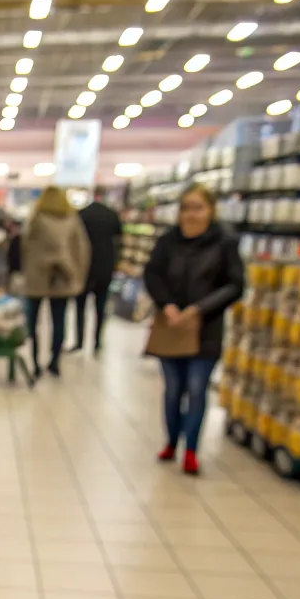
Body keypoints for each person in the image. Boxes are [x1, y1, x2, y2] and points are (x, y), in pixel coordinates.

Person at [143, 183, 244, 476]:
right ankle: (172, 441)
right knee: (173, 389)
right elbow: (153, 274)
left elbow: (235, 285)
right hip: (171, 326)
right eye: (186, 208)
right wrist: (167, 305)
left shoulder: (225, 243)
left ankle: (191, 450)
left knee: (197, 388)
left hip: (205, 328)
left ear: (211, 210)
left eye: (198, 207)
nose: (191, 214)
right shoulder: (168, 241)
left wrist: (200, 309)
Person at [20, 186, 90, 377]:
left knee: (33, 322)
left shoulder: (36, 219)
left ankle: (34, 361)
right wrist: (78, 275)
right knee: (58, 321)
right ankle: (54, 361)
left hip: (37, 277)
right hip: (63, 277)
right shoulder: (72, 220)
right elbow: (82, 249)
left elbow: (25, 244)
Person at [72, 185, 123, 353]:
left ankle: (79, 341)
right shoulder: (111, 215)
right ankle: (97, 342)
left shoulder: (82, 214)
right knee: (100, 308)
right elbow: (119, 239)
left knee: (80, 307)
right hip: (105, 266)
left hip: (84, 267)